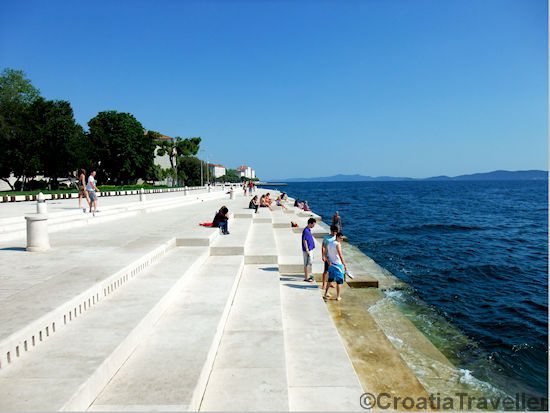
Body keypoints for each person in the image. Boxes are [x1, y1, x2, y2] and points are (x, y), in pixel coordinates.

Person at [324, 232, 348, 301]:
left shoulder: (330, 243)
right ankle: (338, 296)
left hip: (331, 265)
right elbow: (340, 255)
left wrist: (328, 261)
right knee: (339, 281)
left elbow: (325, 254)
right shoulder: (338, 244)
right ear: (337, 237)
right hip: (337, 265)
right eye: (341, 238)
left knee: (330, 279)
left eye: (342, 239)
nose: (342, 240)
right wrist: (345, 265)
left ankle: (326, 293)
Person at [321, 225, 339, 290]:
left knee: (332, 271)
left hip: (334, 257)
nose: (335, 233)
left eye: (336, 232)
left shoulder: (336, 238)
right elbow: (323, 246)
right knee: (326, 271)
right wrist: (323, 256)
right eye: (334, 231)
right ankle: (323, 284)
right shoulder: (326, 238)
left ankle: (330, 283)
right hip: (327, 256)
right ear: (331, 231)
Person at [302, 217, 316, 282]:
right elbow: (304, 240)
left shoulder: (308, 230)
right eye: (313, 224)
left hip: (311, 249)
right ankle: (306, 277)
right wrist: (307, 249)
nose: (314, 226)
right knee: (307, 263)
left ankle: (308, 276)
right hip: (308, 250)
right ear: (310, 223)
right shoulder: (306, 230)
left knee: (310, 262)